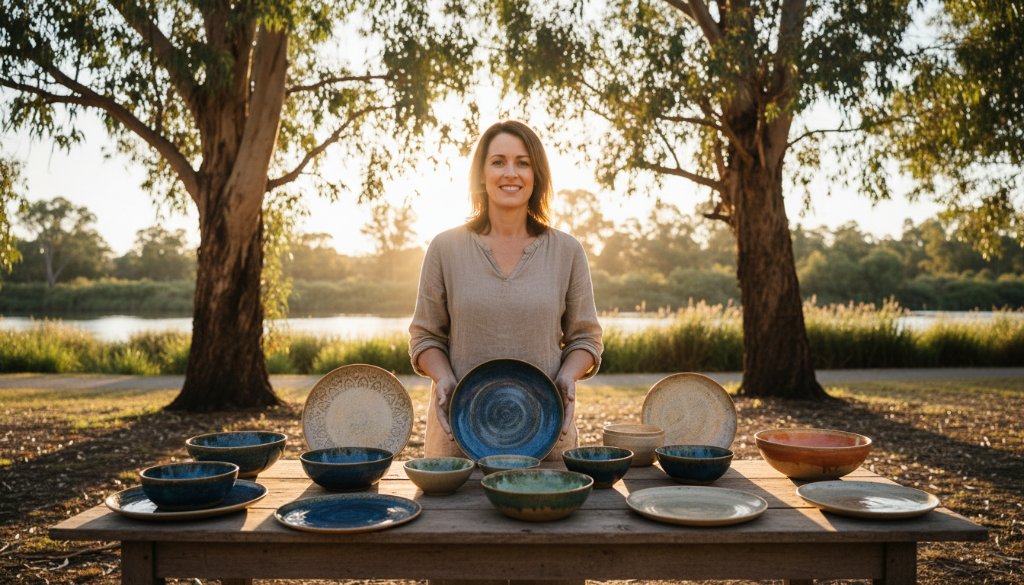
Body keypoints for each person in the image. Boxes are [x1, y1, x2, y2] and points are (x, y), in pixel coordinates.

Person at [409, 119, 604, 465]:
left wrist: (567, 376)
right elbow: (425, 338)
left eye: (523, 163)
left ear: (536, 175)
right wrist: (443, 378)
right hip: (457, 446)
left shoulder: (567, 251)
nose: (510, 173)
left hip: (548, 441)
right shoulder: (444, 248)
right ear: (481, 175)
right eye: (498, 162)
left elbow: (586, 340)